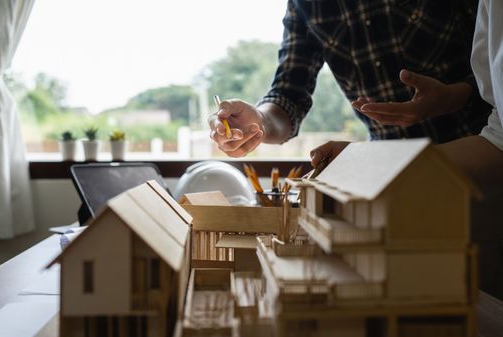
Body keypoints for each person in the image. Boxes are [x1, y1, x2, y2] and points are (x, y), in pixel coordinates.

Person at [209, 0, 491, 158]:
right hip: (389, 175)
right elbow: (288, 96)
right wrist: (257, 122)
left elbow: (494, 61)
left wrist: (457, 95)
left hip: (479, 157)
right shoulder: (304, 5)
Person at [311, 0, 503, 194]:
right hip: (409, 187)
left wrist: (455, 96)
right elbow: (497, 142)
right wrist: (360, 162)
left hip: (477, 186)